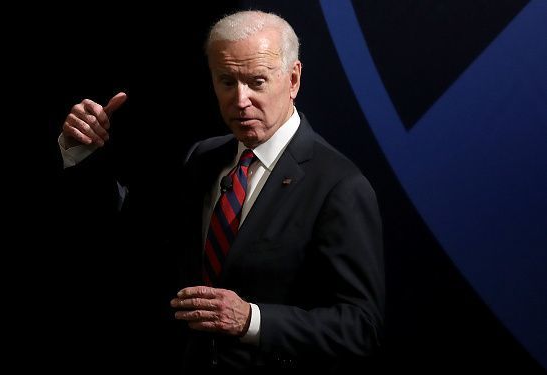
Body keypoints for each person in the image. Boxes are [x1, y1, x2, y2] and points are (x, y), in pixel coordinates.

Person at [59, 10, 384, 374]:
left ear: (293, 79)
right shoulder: (204, 158)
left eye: (256, 82)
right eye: (226, 81)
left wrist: (251, 320)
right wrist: (84, 151)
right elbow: (130, 237)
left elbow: (360, 327)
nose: (240, 100)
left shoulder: (338, 184)